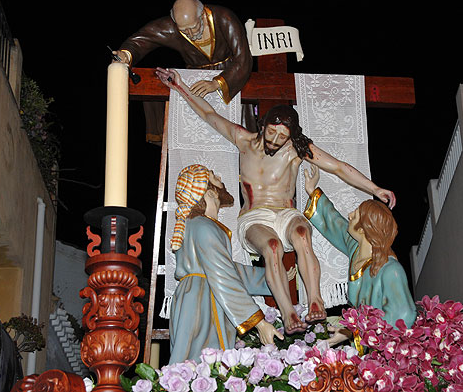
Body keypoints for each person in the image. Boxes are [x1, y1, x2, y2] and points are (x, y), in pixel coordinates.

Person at [156, 68, 397, 335]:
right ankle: (288, 312)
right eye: (272, 132)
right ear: (264, 124)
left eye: (283, 137)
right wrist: (180, 88)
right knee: (272, 247)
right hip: (255, 217)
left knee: (303, 234)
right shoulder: (244, 141)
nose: (276, 140)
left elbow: (338, 167)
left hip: (285, 213)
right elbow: (209, 115)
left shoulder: (296, 150)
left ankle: (315, 299)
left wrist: (375, 188)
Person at [168, 164, 282, 363]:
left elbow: (227, 269)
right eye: (213, 176)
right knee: (202, 363)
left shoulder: (197, 226)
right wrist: (259, 322)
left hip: (199, 295)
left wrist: (269, 279)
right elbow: (223, 276)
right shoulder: (204, 226)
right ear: (208, 192)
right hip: (203, 303)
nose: (219, 177)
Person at [302, 164, 416, 347]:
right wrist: (312, 191)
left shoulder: (390, 270)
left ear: (364, 229)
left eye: (355, 215)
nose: (349, 215)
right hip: (362, 348)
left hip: (384, 352)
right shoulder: (357, 248)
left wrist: (357, 331)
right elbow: (335, 223)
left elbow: (404, 315)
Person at [115, 0, 252, 104]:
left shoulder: (224, 18)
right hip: (194, 81)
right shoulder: (171, 27)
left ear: (202, 15)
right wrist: (126, 54)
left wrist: (217, 83)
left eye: (194, 27)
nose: (191, 34)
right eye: (184, 30)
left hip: (230, 76)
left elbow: (243, 59)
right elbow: (141, 40)